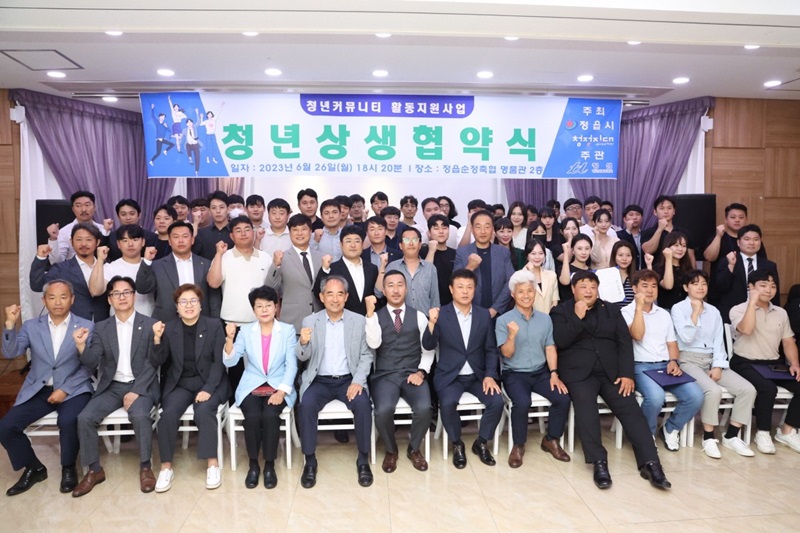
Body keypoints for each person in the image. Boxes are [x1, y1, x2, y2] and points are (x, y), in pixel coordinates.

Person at [550, 270, 671, 490]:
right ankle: (599, 462)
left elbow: (624, 343)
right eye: (583, 286)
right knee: (586, 410)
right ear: (573, 289)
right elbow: (561, 341)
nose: (588, 291)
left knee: (631, 409)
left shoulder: (611, 309)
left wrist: (627, 374)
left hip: (611, 373)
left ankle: (651, 463)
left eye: (593, 286)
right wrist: (577, 317)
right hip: (579, 374)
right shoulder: (560, 311)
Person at [0, 281, 94, 496]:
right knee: (6, 427)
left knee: (68, 421)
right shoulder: (31, 326)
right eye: (52, 297)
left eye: (63, 297)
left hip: (74, 389)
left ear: (72, 299)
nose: (57, 302)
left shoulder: (86, 325)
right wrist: (10, 324)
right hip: (39, 389)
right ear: (44, 300)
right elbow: (11, 352)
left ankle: (68, 467)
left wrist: (65, 389)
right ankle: (34, 467)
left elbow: (89, 366)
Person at [71, 276, 160, 497]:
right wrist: (81, 346)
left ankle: (146, 467)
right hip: (112, 386)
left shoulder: (150, 324)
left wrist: (136, 391)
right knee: (85, 418)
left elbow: (154, 363)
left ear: (134, 296)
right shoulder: (102, 327)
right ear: (109, 299)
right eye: (116, 293)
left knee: (140, 416)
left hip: (141, 385)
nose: (122, 297)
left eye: (126, 292)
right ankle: (94, 470)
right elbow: (92, 362)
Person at [296, 276, 374, 488]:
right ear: (322, 297)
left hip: (348, 380)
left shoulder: (358, 321)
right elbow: (302, 357)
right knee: (306, 405)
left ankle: (363, 459)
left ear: (346, 297)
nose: (335, 299)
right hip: (319, 381)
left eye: (340, 294)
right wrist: (303, 342)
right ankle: (310, 461)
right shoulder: (310, 321)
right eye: (330, 294)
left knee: (363, 405)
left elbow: (366, 355)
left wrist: (358, 381)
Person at [422, 269, 504, 469]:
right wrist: (431, 322)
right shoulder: (441, 314)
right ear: (451, 289)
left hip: (477, 376)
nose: (465, 291)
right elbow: (428, 345)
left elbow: (491, 349)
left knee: (496, 401)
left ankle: (481, 442)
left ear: (475, 290)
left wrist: (490, 375)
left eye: (469, 287)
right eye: (460, 287)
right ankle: (457, 443)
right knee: (447, 403)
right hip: (450, 377)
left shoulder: (483, 315)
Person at [670, 270, 756, 458]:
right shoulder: (678, 309)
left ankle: (731, 436)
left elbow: (719, 342)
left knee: (748, 389)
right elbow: (686, 337)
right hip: (688, 360)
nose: (700, 287)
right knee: (713, 390)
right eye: (695, 283)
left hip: (712, 359)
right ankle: (708, 437)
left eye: (703, 283)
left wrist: (718, 365)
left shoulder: (714, 311)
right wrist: (695, 313)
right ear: (686, 287)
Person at [152, 284, 229, 493]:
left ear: (200, 305)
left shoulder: (213, 326)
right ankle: (166, 467)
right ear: (177, 307)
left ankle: (212, 464)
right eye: (183, 302)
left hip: (210, 382)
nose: (188, 305)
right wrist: (157, 339)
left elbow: (219, 362)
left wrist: (209, 389)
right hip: (181, 384)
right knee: (167, 415)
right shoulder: (170, 329)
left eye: (193, 301)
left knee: (204, 410)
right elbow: (159, 361)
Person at [223, 285, 296, 489]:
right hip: (252, 383)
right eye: (259, 306)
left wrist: (281, 391)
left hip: (279, 383)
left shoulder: (287, 330)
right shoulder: (246, 331)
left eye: (268, 305)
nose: (264, 310)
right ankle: (254, 464)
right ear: (253, 309)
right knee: (253, 415)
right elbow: (230, 361)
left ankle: (270, 465)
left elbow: (291, 364)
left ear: (276, 307)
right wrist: (229, 339)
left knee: (270, 414)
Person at [621, 270, 703, 451]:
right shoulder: (625, 312)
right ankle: (646, 434)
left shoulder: (664, 314)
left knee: (696, 396)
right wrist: (638, 308)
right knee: (655, 398)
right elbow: (637, 334)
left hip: (666, 365)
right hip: (640, 366)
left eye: (654, 286)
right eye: (644, 286)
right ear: (634, 288)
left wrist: (673, 361)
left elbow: (672, 344)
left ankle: (670, 428)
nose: (650, 290)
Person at [496, 270, 571, 468]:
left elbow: (550, 347)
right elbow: (506, 354)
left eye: (530, 291)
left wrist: (554, 374)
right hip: (514, 374)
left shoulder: (545, 319)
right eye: (521, 292)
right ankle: (518, 445)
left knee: (562, 398)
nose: (526, 295)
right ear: (513, 294)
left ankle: (551, 439)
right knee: (522, 401)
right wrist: (511, 336)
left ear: (535, 292)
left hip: (540, 372)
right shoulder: (504, 320)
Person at [365, 271, 433, 473]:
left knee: (424, 407)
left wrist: (421, 372)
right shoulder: (375, 317)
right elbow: (373, 343)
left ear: (406, 288)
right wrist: (370, 315)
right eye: (390, 285)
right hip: (385, 375)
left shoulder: (419, 316)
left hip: (412, 372)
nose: (395, 290)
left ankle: (414, 449)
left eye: (400, 285)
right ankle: (391, 449)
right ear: (384, 290)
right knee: (382, 410)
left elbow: (428, 350)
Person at [729, 269, 800, 454]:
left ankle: (787, 431)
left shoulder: (781, 313)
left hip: (772, 364)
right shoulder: (738, 309)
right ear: (751, 287)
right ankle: (763, 433)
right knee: (768, 388)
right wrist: (752, 303)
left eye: (773, 286)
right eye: (763, 285)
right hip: (744, 362)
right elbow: (746, 330)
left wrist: (794, 364)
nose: (769, 290)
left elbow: (788, 341)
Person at [136, 221, 219, 322]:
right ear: (169, 241)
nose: (180, 241)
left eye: (185, 236)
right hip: (167, 322)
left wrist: (215, 321)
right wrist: (146, 261)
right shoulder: (158, 265)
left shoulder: (206, 264)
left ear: (192, 240)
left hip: (201, 321)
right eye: (175, 237)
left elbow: (214, 297)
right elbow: (142, 288)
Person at [30, 223, 110, 322]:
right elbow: (37, 285)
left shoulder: (107, 267)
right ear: (71, 242)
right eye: (79, 239)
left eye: (89, 240)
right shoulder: (62, 269)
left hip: (104, 323)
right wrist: (40, 258)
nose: (83, 244)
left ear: (97, 242)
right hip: (73, 324)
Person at [265, 214, 324, 333]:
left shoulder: (321, 257)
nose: (299, 233)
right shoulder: (282, 258)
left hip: (320, 319)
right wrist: (276, 265)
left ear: (310, 231)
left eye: (304, 229)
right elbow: (270, 288)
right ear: (290, 233)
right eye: (295, 230)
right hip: (292, 320)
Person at [454, 210, 514, 318]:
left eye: (487, 227)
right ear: (472, 229)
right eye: (478, 227)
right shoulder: (462, 252)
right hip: (470, 313)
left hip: (499, 314)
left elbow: (510, 282)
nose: (483, 231)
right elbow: (456, 283)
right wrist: (470, 267)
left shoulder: (503, 252)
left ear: (493, 229)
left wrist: (495, 309)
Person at [715, 224, 780, 323]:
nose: (752, 243)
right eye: (747, 239)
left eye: (756, 239)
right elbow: (720, 287)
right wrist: (731, 266)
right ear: (738, 242)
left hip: (762, 313)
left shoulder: (769, 265)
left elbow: (774, 293)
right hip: (732, 313)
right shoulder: (727, 261)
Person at [704, 204, 767, 305]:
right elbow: (709, 257)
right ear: (726, 219)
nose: (737, 220)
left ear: (746, 219)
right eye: (733, 217)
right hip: (720, 290)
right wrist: (719, 236)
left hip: (746, 291)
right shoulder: (718, 237)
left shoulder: (752, 242)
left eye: (741, 217)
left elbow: (762, 265)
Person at [313, 225, 380, 316]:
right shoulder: (332, 269)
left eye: (357, 241)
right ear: (341, 245)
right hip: (341, 320)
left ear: (362, 244)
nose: (353, 245)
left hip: (368, 320)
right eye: (348, 241)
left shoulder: (372, 269)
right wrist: (324, 269)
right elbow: (318, 293)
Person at [89, 225, 155, 317]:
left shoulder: (151, 265)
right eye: (125, 240)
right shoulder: (111, 267)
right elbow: (95, 291)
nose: (130, 244)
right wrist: (100, 260)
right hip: (118, 321)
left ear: (143, 242)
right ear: (118, 244)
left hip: (148, 319)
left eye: (135, 239)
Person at [385, 226, 440, 314]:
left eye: (414, 240)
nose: (411, 243)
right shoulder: (392, 267)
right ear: (400, 245)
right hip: (399, 319)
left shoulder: (430, 268)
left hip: (426, 318)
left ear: (420, 244)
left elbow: (435, 299)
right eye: (407, 240)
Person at [45, 190, 111, 264]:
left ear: (94, 207)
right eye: (78, 206)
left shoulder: (103, 229)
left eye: (87, 205)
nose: (83, 209)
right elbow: (56, 262)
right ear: (73, 209)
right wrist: (53, 239)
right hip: (73, 270)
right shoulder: (64, 232)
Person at [641, 195, 695, 263]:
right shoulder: (648, 232)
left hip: (680, 269)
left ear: (674, 211)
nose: (666, 211)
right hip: (657, 269)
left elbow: (691, 258)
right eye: (662, 208)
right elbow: (648, 250)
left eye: (669, 208)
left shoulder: (684, 232)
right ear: (655, 212)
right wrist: (660, 229)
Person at [653, 231, 694, 311]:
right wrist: (668, 259)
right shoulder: (658, 268)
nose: (680, 249)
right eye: (676, 245)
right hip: (666, 311)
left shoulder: (688, 268)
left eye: (683, 246)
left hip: (685, 310)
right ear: (667, 247)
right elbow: (668, 286)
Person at [421, 214, 456, 307]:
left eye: (444, 228)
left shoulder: (455, 253)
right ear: (429, 233)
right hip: (428, 303)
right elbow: (424, 275)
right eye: (436, 228)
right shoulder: (422, 252)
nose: (441, 231)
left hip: (451, 304)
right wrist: (431, 251)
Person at [193, 191, 233, 260]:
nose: (218, 211)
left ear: (228, 209)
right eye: (214, 208)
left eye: (221, 207)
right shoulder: (201, 233)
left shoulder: (235, 232)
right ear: (209, 210)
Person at [523, 240, 559, 313]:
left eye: (541, 253)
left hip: (549, 317)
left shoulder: (552, 275)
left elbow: (554, 301)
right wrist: (530, 272)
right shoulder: (520, 276)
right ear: (527, 256)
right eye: (533, 253)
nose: (537, 257)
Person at [558, 233, 592, 304]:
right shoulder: (564, 268)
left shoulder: (592, 272)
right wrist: (566, 253)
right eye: (579, 249)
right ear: (573, 250)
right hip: (567, 308)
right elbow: (565, 281)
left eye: (587, 248)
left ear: (590, 250)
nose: (583, 252)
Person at [609, 240, 636, 308]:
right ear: (614, 256)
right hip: (612, 314)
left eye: (628, 255)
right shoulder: (606, 276)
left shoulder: (637, 277)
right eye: (620, 255)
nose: (624, 259)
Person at [618, 204, 645, 270]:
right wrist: (628, 230)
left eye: (638, 214)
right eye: (631, 215)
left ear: (642, 218)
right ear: (624, 219)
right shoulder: (618, 235)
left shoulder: (646, 235)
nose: (635, 217)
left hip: (643, 271)